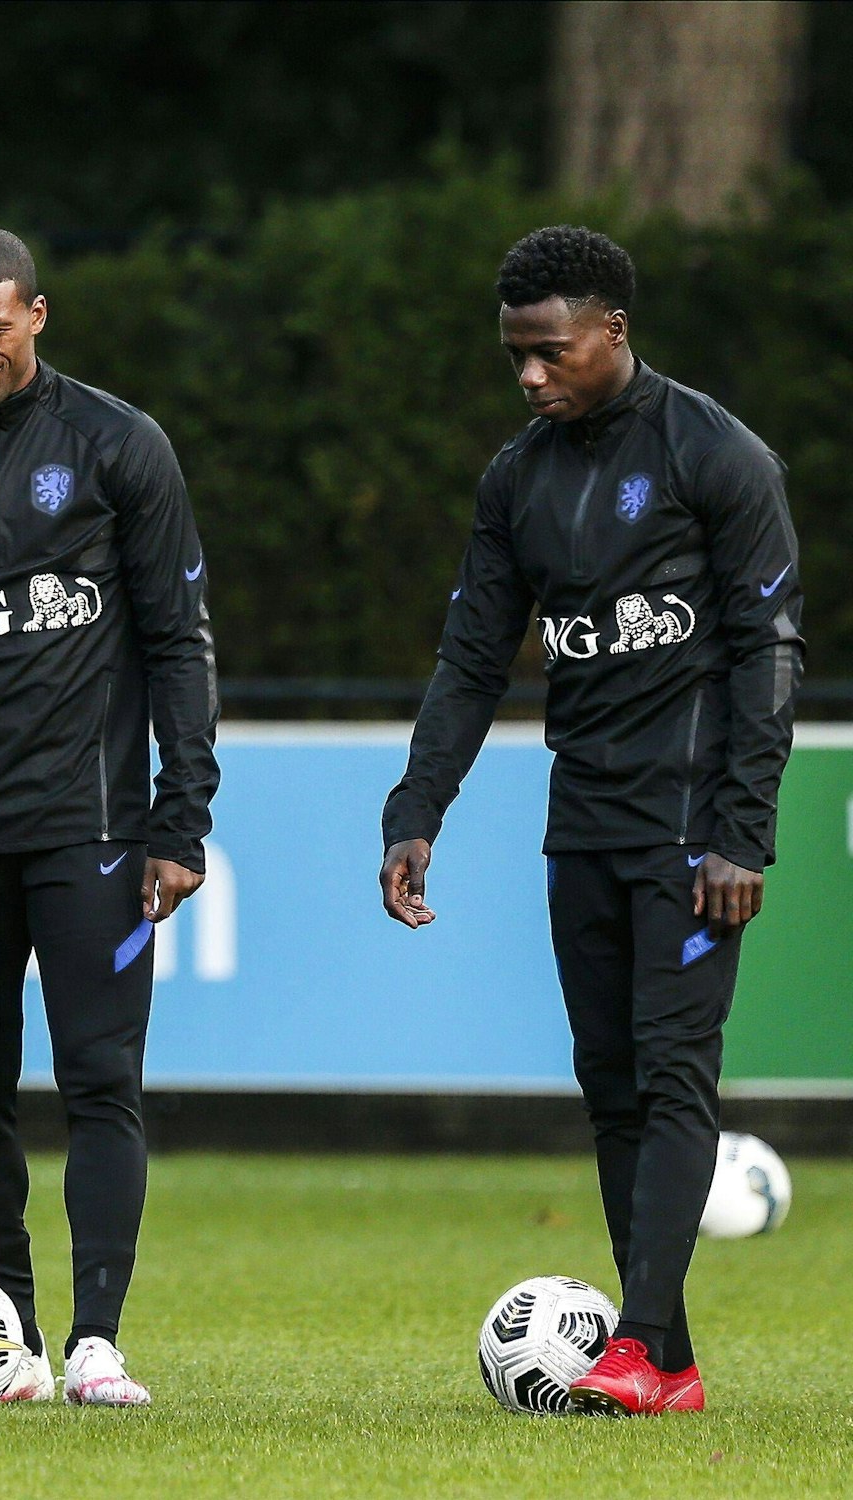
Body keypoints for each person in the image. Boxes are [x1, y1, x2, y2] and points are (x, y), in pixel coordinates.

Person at [380, 226, 802, 1416]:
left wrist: (742, 832)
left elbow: (769, 651)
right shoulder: (517, 476)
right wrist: (417, 810)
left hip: (689, 829)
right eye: (513, 355)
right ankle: (657, 1355)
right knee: (609, 1082)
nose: (527, 376)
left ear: (611, 332)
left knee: (673, 1075)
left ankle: (647, 1345)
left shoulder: (714, 456)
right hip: (584, 823)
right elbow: (471, 657)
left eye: (548, 352)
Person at [0, 227, 218, 1407]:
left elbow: (178, 638)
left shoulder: (115, 445)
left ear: (36, 316)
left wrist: (178, 819)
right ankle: (8, 1337)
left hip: (89, 827)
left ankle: (97, 1339)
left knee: (100, 1079)